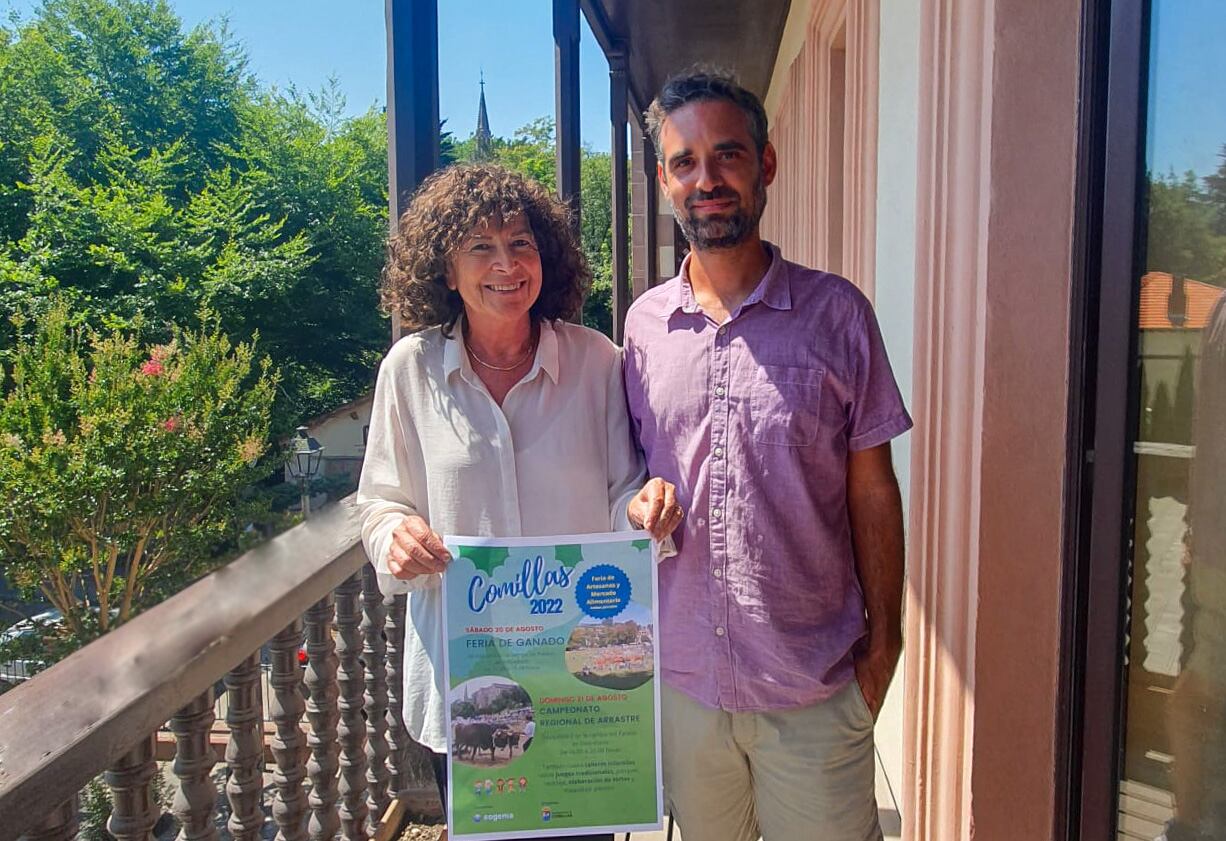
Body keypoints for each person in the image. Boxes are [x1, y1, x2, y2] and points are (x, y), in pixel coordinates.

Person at [622, 70, 912, 841]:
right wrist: (640, 498)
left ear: (766, 164)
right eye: (684, 162)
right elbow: (629, 470)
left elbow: (874, 490)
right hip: (688, 689)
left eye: (728, 155)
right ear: (663, 180)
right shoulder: (643, 327)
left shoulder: (837, 313)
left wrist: (885, 645)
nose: (706, 179)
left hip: (811, 690)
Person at [358, 163, 682, 841]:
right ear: (445, 270)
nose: (506, 264)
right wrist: (396, 534)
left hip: (580, 683)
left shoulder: (597, 362)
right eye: (480, 247)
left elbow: (625, 485)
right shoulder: (409, 372)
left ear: (548, 258)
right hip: (468, 682)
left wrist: (643, 506)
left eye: (521, 244)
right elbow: (380, 500)